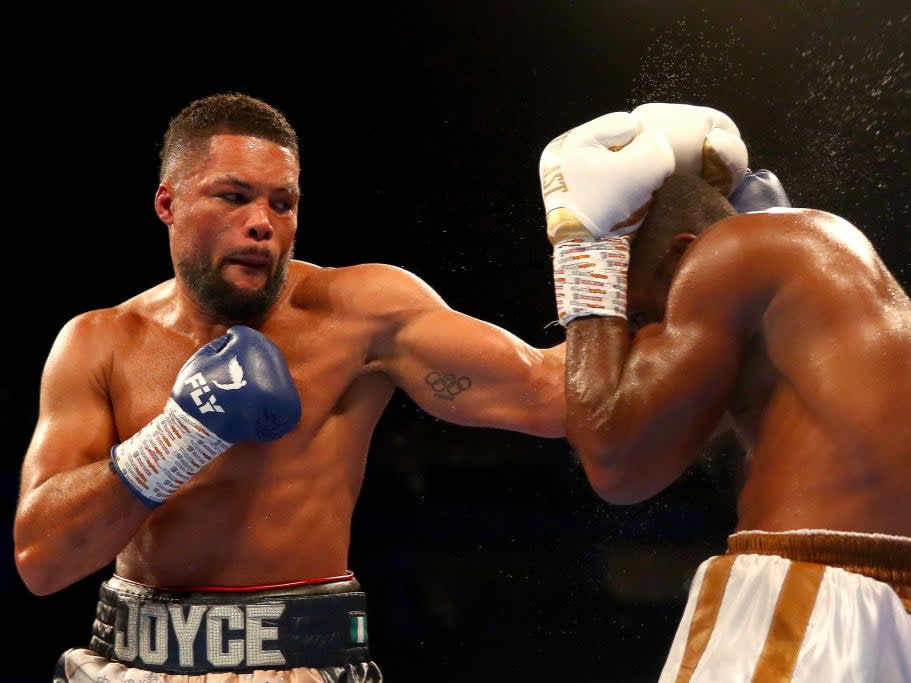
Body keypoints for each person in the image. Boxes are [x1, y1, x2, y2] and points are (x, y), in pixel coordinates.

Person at [14, 91, 566, 683]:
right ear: (167, 203)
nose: (262, 223)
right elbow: (41, 561)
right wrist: (183, 434)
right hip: (132, 666)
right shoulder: (99, 342)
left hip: (304, 664)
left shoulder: (361, 315)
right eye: (233, 196)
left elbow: (554, 397)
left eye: (284, 203)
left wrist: (596, 248)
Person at [538, 102, 911, 681]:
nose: (643, 338)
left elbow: (618, 465)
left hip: (818, 599)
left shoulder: (727, 255)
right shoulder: (828, 264)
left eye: (637, 313)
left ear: (685, 253)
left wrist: (587, 260)